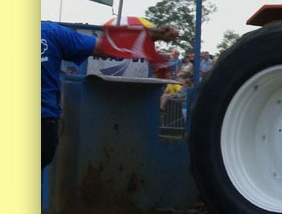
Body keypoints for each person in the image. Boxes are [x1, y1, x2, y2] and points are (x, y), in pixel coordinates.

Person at [41, 20, 179, 169]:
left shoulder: (51, 32)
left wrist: (156, 34)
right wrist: (156, 34)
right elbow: (108, 47)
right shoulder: (50, 31)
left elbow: (106, 47)